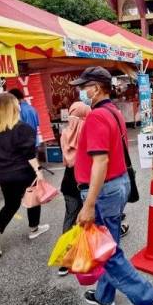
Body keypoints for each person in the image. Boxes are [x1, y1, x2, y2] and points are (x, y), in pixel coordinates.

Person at [71, 66, 153, 305]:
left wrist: (88, 204)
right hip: (116, 184)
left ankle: (148, 298)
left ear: (97, 88)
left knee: (107, 252)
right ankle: (104, 295)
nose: (82, 91)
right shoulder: (112, 111)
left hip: (103, 190)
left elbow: (100, 161)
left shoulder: (97, 116)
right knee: (107, 245)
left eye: (85, 86)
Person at [0, 93, 49, 257]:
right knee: (33, 198)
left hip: (4, 173)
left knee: (10, 205)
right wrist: (38, 171)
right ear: (13, 107)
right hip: (24, 171)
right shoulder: (23, 128)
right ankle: (34, 228)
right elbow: (29, 155)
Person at [57, 101, 91, 276]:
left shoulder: (65, 133)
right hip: (85, 183)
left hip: (68, 182)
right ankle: (87, 256)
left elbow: (66, 160)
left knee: (69, 219)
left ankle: (65, 259)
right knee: (88, 220)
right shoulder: (87, 131)